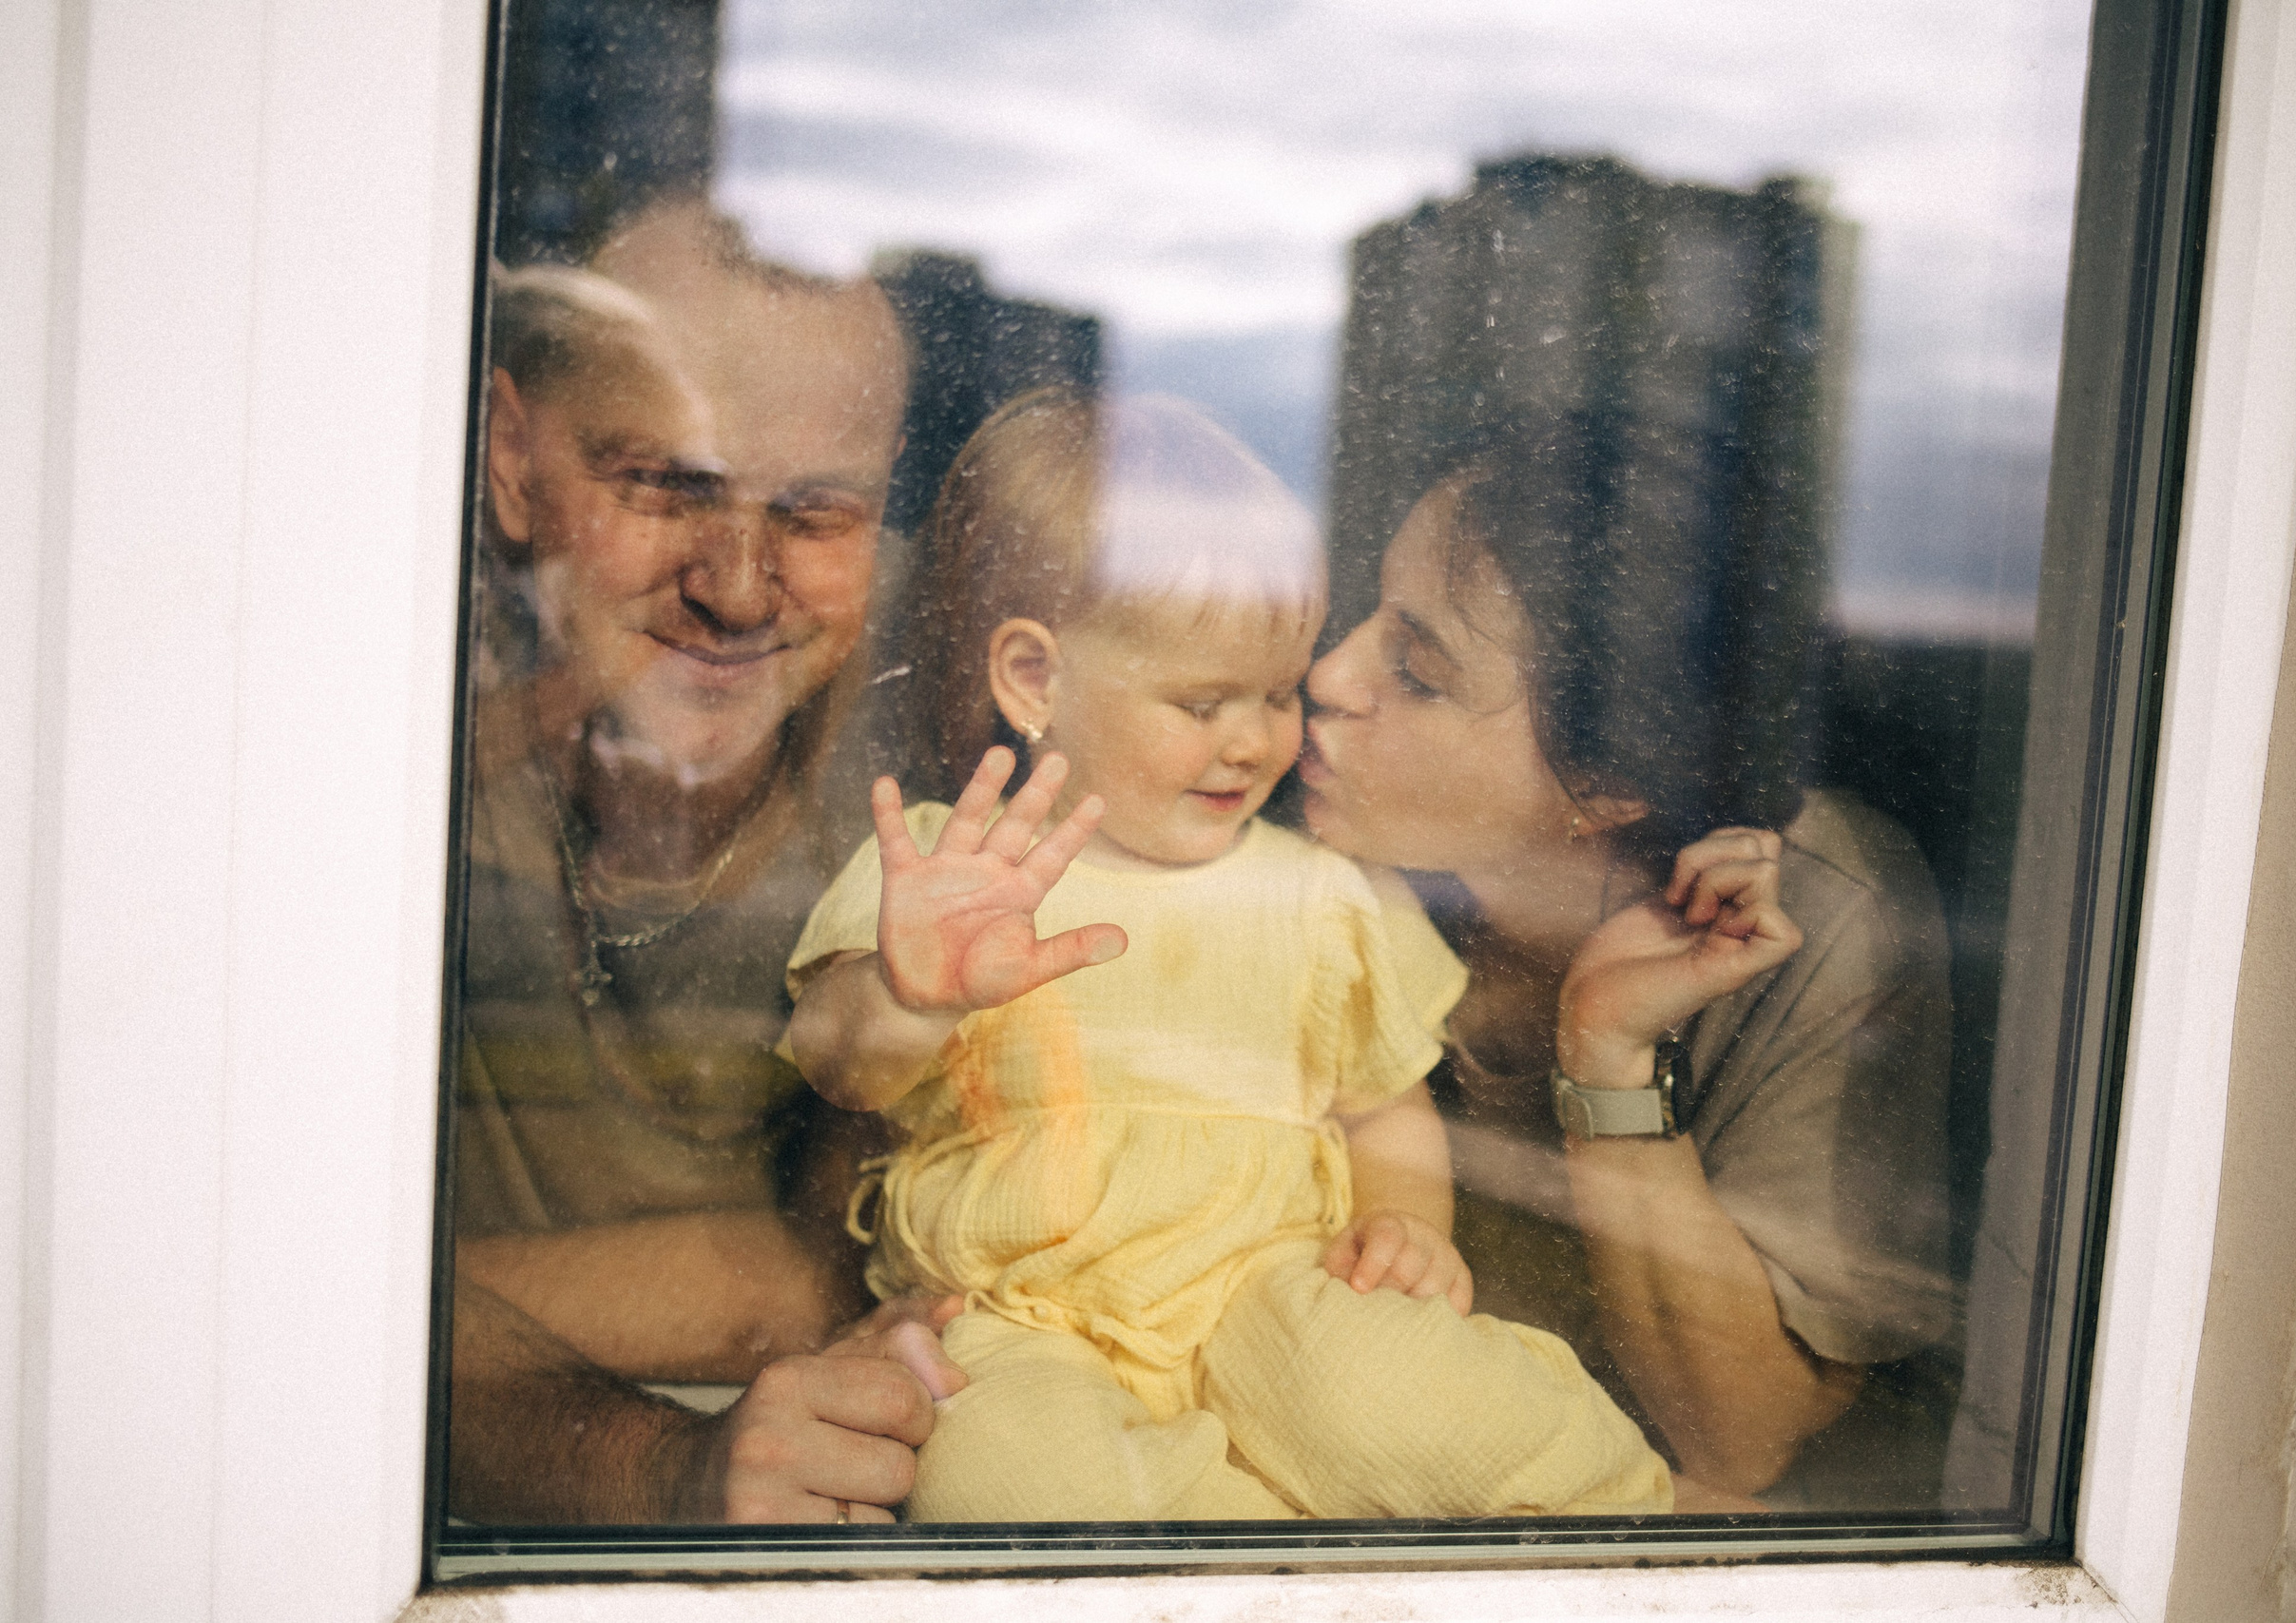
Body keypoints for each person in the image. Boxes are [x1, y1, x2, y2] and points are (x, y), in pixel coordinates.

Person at [782, 392, 1705, 1520]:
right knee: (1007, 1478)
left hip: (1273, 1283)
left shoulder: (1319, 891)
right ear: (1036, 681)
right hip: (1020, 1315)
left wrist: (1406, 1226)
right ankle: (1225, 1547)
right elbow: (837, 1066)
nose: (1258, 738)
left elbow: (1382, 1104)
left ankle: (1637, 1533)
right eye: (1203, 700)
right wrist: (907, 998)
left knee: (1406, 1405)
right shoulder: (948, 869)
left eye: (1274, 692)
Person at [1298, 421, 1959, 1510]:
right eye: (1362, 619)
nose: (1328, 674)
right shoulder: (1276, 831)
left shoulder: (1821, 921)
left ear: (1607, 786)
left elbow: (1745, 1445)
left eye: (1415, 671)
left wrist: (1607, 1056)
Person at [448, 199, 963, 1525]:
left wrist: (439, 1291)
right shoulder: (384, 724)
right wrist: (656, 1461)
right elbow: (256, 1275)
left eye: (817, 511)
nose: (739, 587)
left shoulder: (945, 718)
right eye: (668, 483)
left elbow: (831, 1274)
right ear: (512, 458)